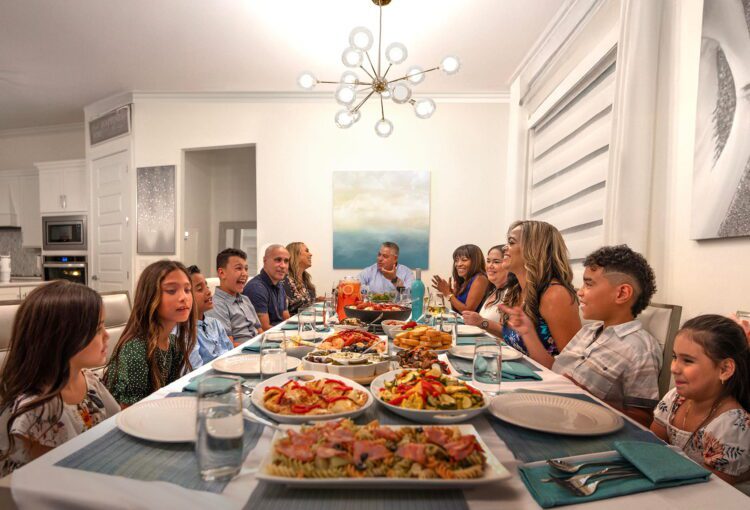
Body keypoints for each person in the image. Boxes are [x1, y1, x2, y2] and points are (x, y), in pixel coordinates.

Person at [0, 281, 120, 476]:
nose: (107, 335)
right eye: (98, 329)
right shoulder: (37, 410)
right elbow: (68, 477)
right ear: (64, 338)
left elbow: (115, 425)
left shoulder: (87, 379)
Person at [551, 245, 660, 426]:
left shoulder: (640, 349)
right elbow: (555, 371)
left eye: (589, 283)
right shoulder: (588, 331)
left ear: (622, 293)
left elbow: (644, 420)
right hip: (554, 411)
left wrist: (585, 398)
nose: (580, 291)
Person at [651, 315, 750, 484]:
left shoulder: (732, 424)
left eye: (688, 361)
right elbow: (651, 447)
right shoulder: (674, 398)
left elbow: (711, 488)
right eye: (675, 357)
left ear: (725, 369)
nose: (674, 368)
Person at [104, 260, 197, 407]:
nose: (184, 297)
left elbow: (167, 395)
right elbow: (129, 413)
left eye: (187, 289)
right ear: (150, 297)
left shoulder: (173, 343)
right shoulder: (136, 349)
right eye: (171, 290)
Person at [496, 220, 581, 364]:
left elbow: (571, 368)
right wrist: (481, 323)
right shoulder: (517, 291)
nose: (505, 248)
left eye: (511, 242)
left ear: (533, 249)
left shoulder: (555, 295)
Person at [206, 248, 262, 347]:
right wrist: (258, 348)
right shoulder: (216, 304)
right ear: (222, 273)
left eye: (246, 269)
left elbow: (259, 330)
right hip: (242, 354)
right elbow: (228, 346)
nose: (244, 273)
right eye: (238, 268)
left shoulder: (245, 299)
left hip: (259, 347)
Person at [187, 265, 234, 364]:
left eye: (207, 287)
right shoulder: (187, 331)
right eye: (200, 289)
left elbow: (231, 353)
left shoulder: (215, 324)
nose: (208, 292)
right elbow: (196, 370)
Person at [462, 245, 512, 326]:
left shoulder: (511, 293)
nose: (490, 266)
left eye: (496, 262)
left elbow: (510, 334)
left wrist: (482, 322)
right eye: (488, 261)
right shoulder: (493, 291)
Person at [244, 244, 291, 329]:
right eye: (278, 260)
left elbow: (286, 318)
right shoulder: (256, 288)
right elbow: (264, 328)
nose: (283, 265)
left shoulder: (279, 284)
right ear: (265, 261)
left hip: (280, 335)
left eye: (286, 261)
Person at [432, 245, 489, 313]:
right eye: (456, 260)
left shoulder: (480, 278)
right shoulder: (464, 282)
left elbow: (468, 311)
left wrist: (447, 293)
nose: (458, 264)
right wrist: (452, 294)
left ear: (475, 262)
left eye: (464, 260)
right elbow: (457, 311)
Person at [283, 242, 317, 315]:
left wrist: (317, 300)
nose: (311, 254)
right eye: (307, 251)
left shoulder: (305, 279)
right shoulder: (284, 281)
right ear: (295, 255)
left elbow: (307, 304)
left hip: (307, 322)